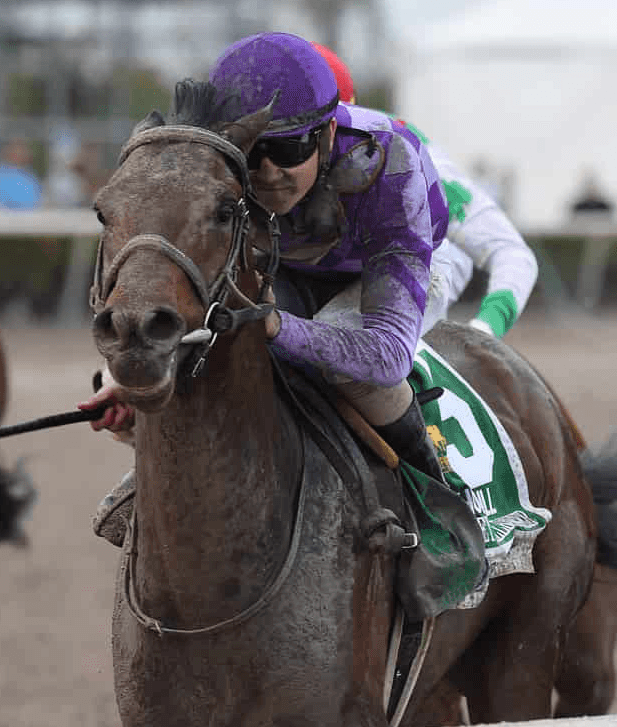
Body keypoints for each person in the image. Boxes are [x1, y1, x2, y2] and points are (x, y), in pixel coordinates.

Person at [83, 31, 470, 499]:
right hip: (288, 263)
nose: (267, 172)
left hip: (385, 268)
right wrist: (129, 379)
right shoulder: (214, 163)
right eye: (252, 151)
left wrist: (275, 328)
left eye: (288, 150)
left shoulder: (390, 163)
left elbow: (386, 357)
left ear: (328, 133)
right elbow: (181, 293)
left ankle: (437, 497)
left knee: (346, 369)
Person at [309, 41, 539, 339]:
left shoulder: (404, 159)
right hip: (338, 265)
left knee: (338, 335)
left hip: (431, 260)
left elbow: (512, 252)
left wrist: (484, 329)